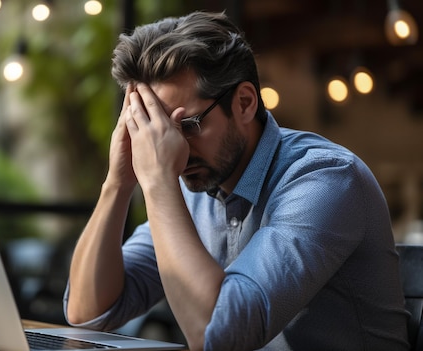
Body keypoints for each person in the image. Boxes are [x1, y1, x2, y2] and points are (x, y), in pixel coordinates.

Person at [63, 10, 410, 351]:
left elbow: (219, 337)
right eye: (153, 131)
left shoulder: (325, 179)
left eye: (186, 125)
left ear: (244, 103)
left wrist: (156, 183)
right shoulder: (187, 188)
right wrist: (118, 182)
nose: (171, 148)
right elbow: (88, 313)